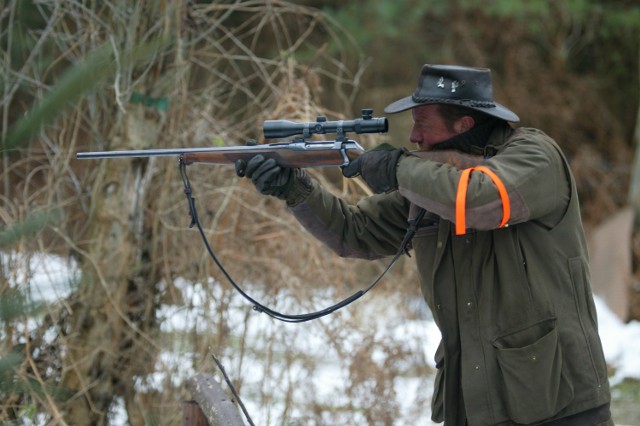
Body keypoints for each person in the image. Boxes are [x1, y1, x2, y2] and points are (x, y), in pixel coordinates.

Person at [236, 64, 613, 425]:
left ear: (464, 124)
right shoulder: (431, 185)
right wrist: (294, 189)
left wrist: (398, 169)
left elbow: (478, 200)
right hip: (476, 403)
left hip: (558, 405)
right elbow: (354, 232)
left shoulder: (535, 156)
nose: (413, 137)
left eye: (422, 125)